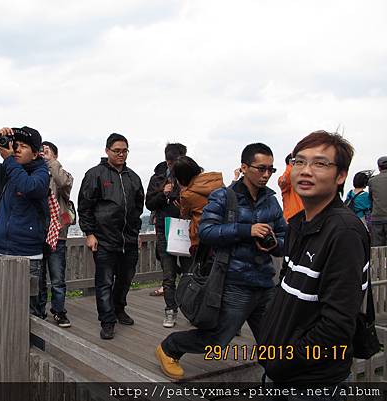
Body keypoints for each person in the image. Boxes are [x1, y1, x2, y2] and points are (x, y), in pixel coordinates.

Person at [156, 143, 286, 380]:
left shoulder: (271, 201)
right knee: (217, 339)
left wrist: (274, 243)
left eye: (271, 169)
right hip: (234, 281)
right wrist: (248, 230)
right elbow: (207, 232)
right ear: (244, 168)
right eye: (261, 168)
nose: (266, 174)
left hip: (265, 282)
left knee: (274, 340)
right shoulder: (224, 196)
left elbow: (285, 239)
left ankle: (277, 382)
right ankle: (170, 347)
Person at [260, 131, 370, 392]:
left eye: (320, 163)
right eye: (299, 161)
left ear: (340, 175)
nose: (305, 170)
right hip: (283, 373)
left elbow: (337, 327)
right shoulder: (299, 223)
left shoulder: (344, 232)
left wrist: (280, 362)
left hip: (314, 382)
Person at [0, 127, 49, 318]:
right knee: (0, 306)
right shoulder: (8, 170)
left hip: (28, 255)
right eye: (15, 145)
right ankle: (3, 347)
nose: (16, 150)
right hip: (0, 250)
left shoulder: (41, 174)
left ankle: (32, 347)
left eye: (23, 147)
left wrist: (7, 160)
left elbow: (28, 187)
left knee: (29, 312)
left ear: (35, 153)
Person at [78, 133, 145, 340]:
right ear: (107, 150)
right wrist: (89, 233)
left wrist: (137, 233)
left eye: (124, 150)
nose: (121, 154)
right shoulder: (95, 174)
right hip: (104, 239)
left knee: (125, 279)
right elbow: (85, 206)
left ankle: (119, 308)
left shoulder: (133, 177)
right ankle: (107, 320)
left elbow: (137, 209)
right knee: (104, 281)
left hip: (129, 239)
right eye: (117, 151)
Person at [145, 143, 187, 328]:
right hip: (164, 229)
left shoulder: (189, 176)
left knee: (190, 273)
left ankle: (193, 310)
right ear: (168, 160)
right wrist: (163, 194)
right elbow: (149, 203)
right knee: (168, 275)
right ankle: (170, 311)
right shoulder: (157, 177)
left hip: (187, 229)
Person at [38, 140, 74, 327]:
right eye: (40, 151)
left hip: (57, 233)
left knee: (57, 277)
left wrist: (52, 163)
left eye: (47, 151)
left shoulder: (63, 174)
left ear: (56, 155)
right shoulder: (35, 174)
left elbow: (64, 183)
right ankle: (39, 310)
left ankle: (59, 311)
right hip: (37, 232)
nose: (43, 154)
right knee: (39, 276)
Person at [278, 153, 304, 221]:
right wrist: (290, 166)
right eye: (298, 162)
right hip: (291, 223)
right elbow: (284, 181)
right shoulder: (285, 180)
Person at [368, 156, 387, 246]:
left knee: (377, 248)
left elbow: (371, 198)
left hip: (377, 217)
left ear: (379, 167)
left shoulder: (372, 181)